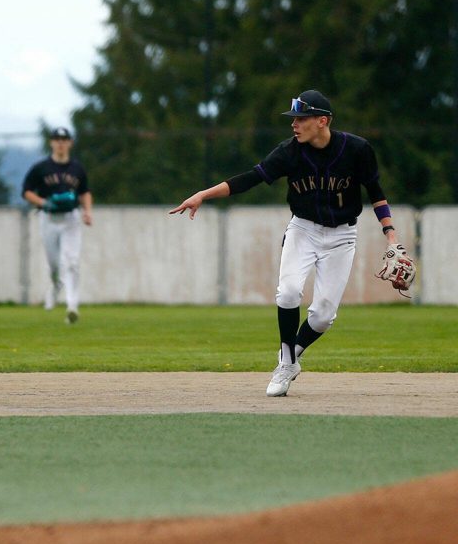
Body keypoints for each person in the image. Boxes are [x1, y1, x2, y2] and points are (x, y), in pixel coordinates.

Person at [169, 90, 407, 396]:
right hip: (303, 229)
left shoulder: (357, 149)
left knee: (322, 316)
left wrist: (391, 233)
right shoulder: (289, 152)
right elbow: (250, 178)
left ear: (322, 121)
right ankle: (286, 363)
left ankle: (292, 355)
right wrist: (203, 194)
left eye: (302, 118)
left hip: (342, 236)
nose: (294, 124)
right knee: (289, 292)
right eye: (293, 118)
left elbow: (376, 192)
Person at [22, 126, 93, 324]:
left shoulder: (77, 168)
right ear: (51, 142)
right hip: (49, 218)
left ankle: (72, 306)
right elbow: (26, 191)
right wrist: (44, 202)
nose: (60, 143)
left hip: (71, 217)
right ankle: (55, 287)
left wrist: (87, 211)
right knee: (54, 264)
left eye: (64, 139)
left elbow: (85, 192)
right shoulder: (41, 168)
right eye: (57, 139)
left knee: (71, 261)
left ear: (69, 143)